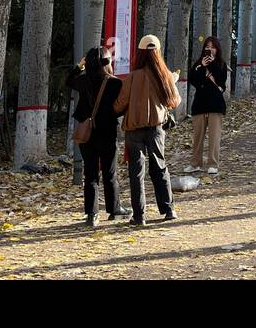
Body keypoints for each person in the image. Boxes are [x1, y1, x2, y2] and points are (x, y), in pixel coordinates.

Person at [113, 34, 181, 225]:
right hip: (157, 129)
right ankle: (169, 210)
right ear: (158, 53)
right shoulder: (164, 75)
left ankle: (139, 216)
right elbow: (175, 102)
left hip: (134, 130)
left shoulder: (132, 77)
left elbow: (119, 105)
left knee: (136, 173)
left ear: (140, 53)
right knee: (159, 167)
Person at [67, 46, 124, 227]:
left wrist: (79, 66)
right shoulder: (115, 83)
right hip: (107, 132)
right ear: (107, 62)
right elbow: (120, 107)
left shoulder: (82, 81)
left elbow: (69, 81)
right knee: (109, 172)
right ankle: (114, 209)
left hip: (87, 133)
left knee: (90, 174)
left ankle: (92, 214)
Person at [187, 35, 227, 174]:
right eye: (207, 47)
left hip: (215, 105)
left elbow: (222, 81)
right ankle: (195, 163)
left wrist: (212, 64)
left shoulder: (221, 64)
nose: (210, 50)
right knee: (197, 137)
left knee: (214, 137)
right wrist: (201, 67)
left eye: (213, 47)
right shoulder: (199, 63)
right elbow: (194, 81)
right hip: (199, 104)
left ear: (217, 49)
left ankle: (213, 164)